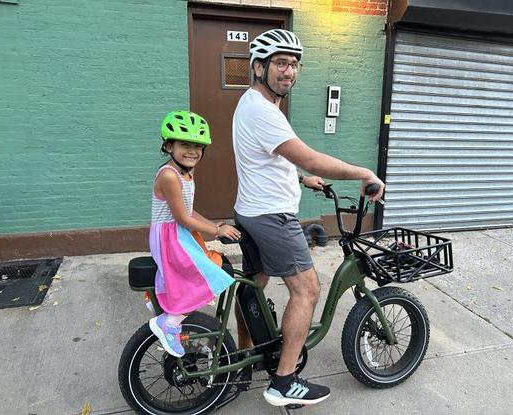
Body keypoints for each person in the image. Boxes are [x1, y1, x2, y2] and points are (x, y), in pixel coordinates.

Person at [232, 29, 385, 407]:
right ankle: (283, 381)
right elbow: (310, 156)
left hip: (251, 210)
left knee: (253, 284)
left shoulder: (253, 104)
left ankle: (243, 356)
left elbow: (267, 157)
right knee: (307, 290)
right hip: (272, 217)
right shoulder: (263, 110)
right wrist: (364, 172)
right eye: (281, 63)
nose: (289, 72)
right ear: (258, 67)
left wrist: (301, 179)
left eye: (294, 64)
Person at [149, 110, 241, 357]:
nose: (192, 151)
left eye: (198, 146)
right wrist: (216, 230)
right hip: (171, 237)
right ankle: (168, 322)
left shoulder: (186, 173)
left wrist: (214, 225)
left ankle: (162, 301)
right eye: (185, 145)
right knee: (207, 277)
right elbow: (181, 218)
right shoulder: (169, 175)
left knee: (209, 269)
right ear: (169, 146)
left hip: (179, 232)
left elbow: (189, 211)